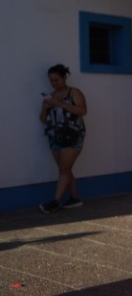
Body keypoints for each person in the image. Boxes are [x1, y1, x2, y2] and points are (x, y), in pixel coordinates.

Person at [39, 63, 87, 213]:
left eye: (56, 80)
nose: (54, 83)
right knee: (65, 168)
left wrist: (60, 104)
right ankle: (75, 198)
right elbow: (43, 119)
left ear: (64, 77)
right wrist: (45, 108)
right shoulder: (50, 96)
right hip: (54, 136)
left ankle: (55, 201)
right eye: (51, 80)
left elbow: (82, 110)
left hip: (72, 135)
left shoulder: (74, 92)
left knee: (64, 168)